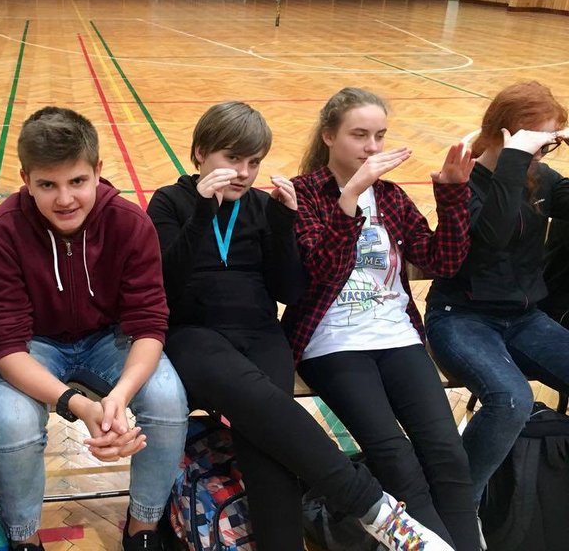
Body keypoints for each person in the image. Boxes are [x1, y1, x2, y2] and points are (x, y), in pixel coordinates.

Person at [147, 100, 455, 551]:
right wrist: (201, 214)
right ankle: (372, 506)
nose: (244, 173)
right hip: (195, 334)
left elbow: (289, 291)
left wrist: (281, 225)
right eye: (232, 158)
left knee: (267, 448)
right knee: (266, 408)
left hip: (261, 334)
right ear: (199, 153)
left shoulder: (260, 206)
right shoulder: (169, 201)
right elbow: (165, 285)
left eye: (254, 162)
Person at [280, 88, 480, 551]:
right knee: (396, 460)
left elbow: (443, 260)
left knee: (447, 454)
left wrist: (452, 194)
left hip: (397, 336)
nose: (372, 147)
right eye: (359, 135)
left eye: (380, 136)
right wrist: (350, 195)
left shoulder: (390, 196)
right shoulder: (301, 194)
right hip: (331, 343)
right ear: (329, 136)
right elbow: (322, 271)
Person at [0, 106, 188, 551]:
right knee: (15, 424)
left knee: (168, 401)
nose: (65, 199)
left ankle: (143, 527)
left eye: (77, 181)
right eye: (47, 185)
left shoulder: (130, 223)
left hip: (109, 338)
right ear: (25, 179)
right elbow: (7, 346)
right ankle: (23, 538)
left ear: (97, 171)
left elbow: (149, 324)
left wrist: (119, 397)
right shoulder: (2, 231)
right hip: (35, 345)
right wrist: (76, 404)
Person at [425, 81, 569, 507]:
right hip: (460, 317)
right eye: (539, 142)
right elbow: (491, 238)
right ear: (506, 134)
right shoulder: (461, 181)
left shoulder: (540, 178)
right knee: (510, 400)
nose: (543, 153)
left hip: (524, 319)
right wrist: (515, 159)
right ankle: (456, 507)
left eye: (549, 143)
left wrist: (527, 158)